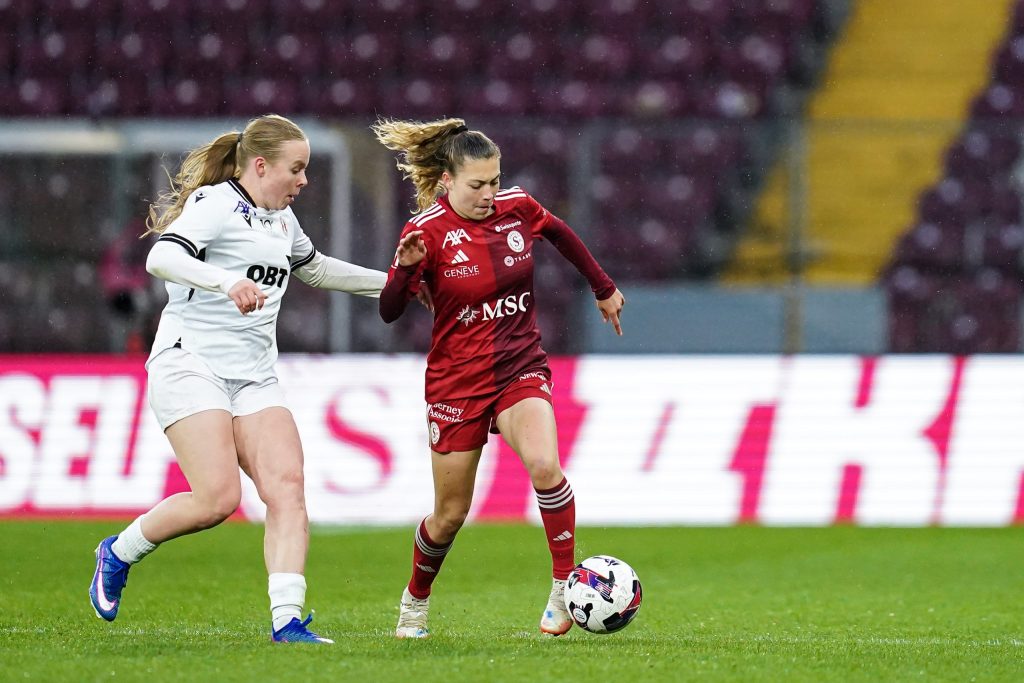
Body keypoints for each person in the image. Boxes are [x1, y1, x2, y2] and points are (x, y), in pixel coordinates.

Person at [88, 114, 389, 644]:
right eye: (296, 169)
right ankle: (118, 551)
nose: (304, 180)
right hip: (190, 363)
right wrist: (226, 281)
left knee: (287, 489)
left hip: (254, 376)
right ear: (261, 165)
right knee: (217, 499)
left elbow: (316, 268)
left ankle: (287, 622)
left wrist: (397, 285)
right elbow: (162, 256)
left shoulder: (282, 220)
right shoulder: (215, 204)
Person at [373, 117, 625, 638]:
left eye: (495, 180)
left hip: (519, 364)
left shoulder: (517, 207)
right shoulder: (426, 232)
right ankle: (415, 601)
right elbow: (389, 311)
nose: (489, 194)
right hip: (457, 382)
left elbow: (561, 233)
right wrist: (405, 269)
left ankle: (562, 587)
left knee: (546, 466)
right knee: (449, 514)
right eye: (477, 184)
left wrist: (602, 286)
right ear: (447, 180)